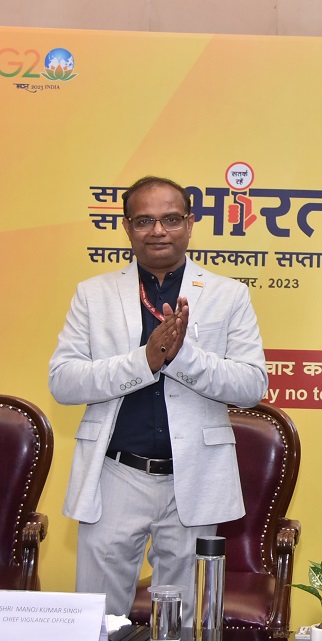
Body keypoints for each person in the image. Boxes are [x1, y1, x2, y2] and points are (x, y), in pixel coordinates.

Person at [49, 176, 268, 625]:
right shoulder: (93, 294)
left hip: (195, 476)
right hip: (114, 473)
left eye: (170, 219)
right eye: (144, 221)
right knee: (97, 621)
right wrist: (145, 361)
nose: (158, 231)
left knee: (184, 623)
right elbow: (63, 382)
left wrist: (180, 357)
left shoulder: (228, 294)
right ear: (127, 227)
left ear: (190, 223)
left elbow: (250, 384)